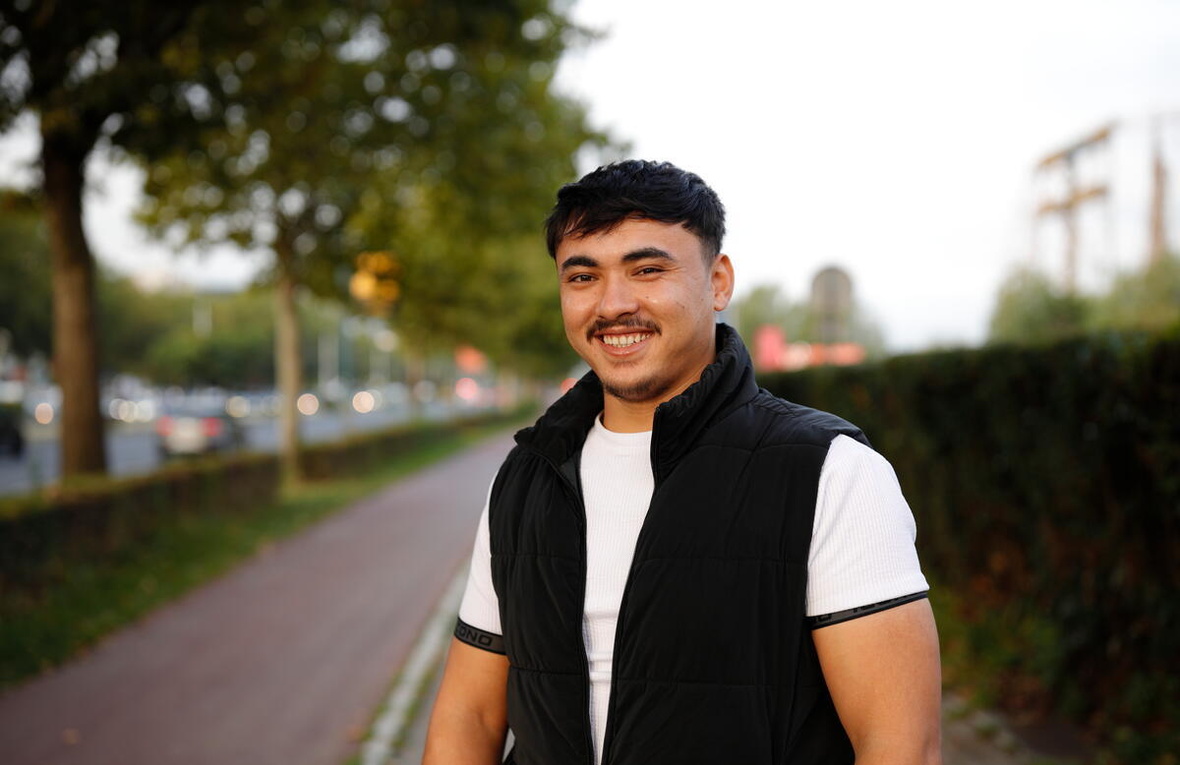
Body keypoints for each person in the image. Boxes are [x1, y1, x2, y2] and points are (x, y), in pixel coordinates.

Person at [422, 160, 942, 765]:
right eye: (582, 277)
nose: (613, 305)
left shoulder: (832, 472)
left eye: (647, 270)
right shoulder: (528, 475)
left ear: (718, 281)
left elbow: (901, 745)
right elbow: (470, 715)